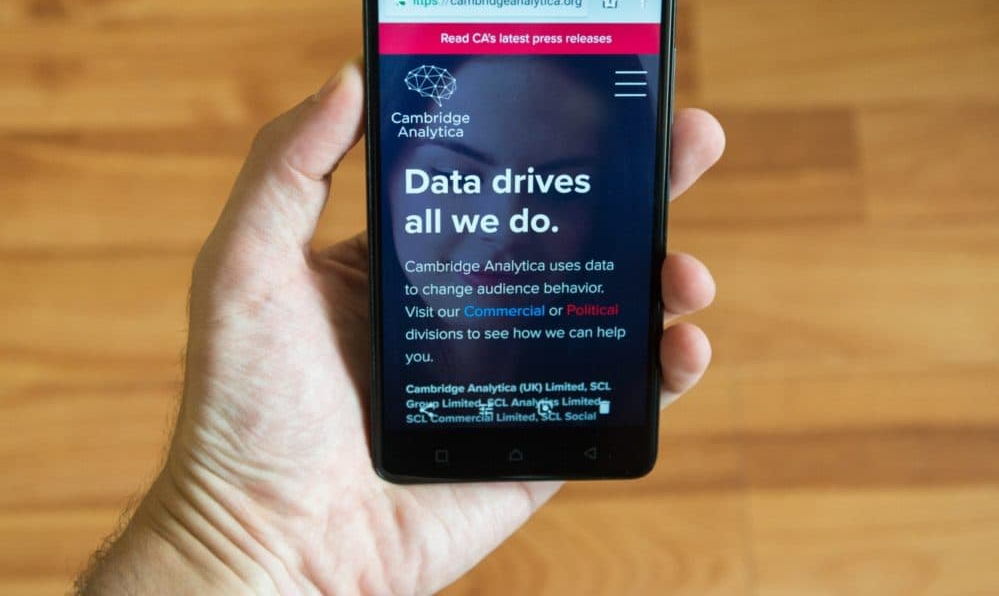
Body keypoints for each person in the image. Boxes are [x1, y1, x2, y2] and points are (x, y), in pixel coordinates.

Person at [74, 62, 725, 595]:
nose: (501, 226)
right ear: (388, 177)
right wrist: (238, 539)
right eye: (453, 176)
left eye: (559, 189)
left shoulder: (594, 381)